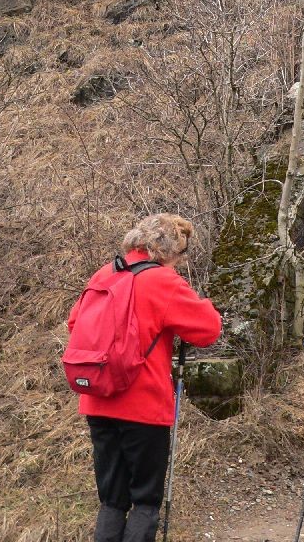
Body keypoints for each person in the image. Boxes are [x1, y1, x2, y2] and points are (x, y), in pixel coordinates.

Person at [67, 213, 222, 542]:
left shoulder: (104, 274)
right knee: (145, 502)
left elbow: (74, 325)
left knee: (111, 501)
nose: (179, 264)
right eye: (179, 256)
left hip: (97, 402)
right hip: (144, 408)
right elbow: (209, 329)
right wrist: (198, 300)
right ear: (167, 251)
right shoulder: (162, 281)